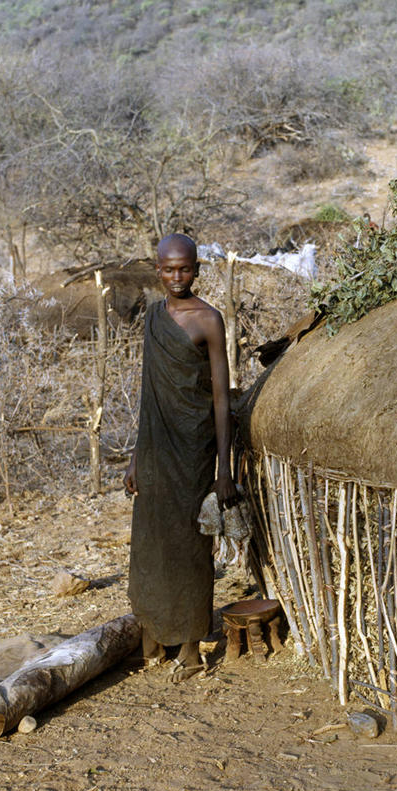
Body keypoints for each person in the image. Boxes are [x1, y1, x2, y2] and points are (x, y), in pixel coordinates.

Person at [124, 233, 238, 682]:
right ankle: (153, 636)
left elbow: (221, 399)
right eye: (168, 269)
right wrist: (136, 456)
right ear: (157, 270)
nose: (177, 277)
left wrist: (223, 468)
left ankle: (190, 648)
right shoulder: (153, 317)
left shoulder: (208, 320)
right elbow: (147, 395)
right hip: (154, 447)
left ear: (197, 269)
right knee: (150, 541)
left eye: (185, 269)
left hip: (194, 447)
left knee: (191, 546)